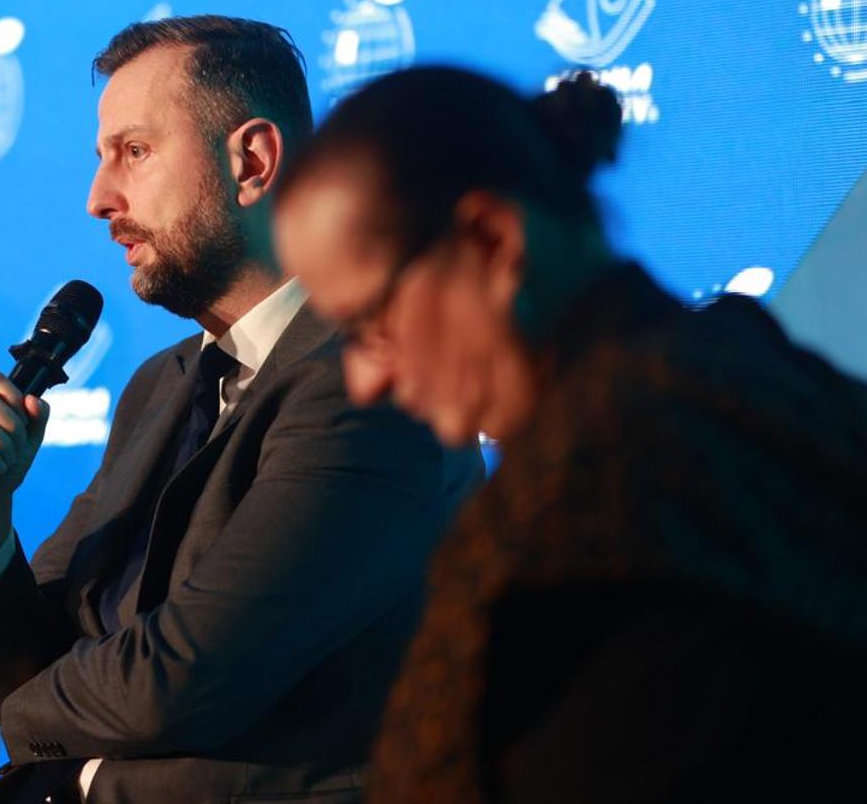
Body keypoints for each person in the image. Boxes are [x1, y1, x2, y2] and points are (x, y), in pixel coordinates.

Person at [0, 17, 482, 803]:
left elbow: (179, 683)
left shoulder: (372, 381)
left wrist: (37, 700)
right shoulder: (162, 381)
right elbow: (36, 659)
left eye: (135, 153)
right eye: (101, 158)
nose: (97, 199)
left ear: (252, 162)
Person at [272, 66, 867, 802]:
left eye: (370, 324)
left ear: (491, 240)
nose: (365, 380)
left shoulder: (590, 488)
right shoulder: (749, 375)